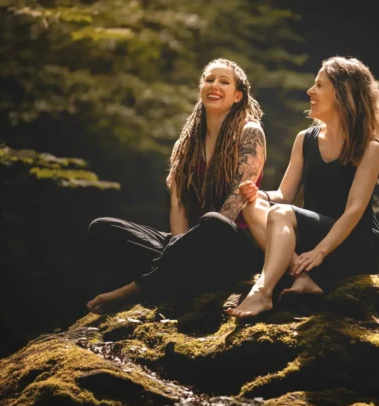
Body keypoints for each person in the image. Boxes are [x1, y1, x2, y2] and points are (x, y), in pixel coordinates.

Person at [85, 58, 266, 314]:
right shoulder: (188, 141)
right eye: (209, 79)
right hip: (191, 245)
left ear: (238, 96)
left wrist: (186, 249)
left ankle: (138, 289)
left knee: (214, 221)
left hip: (233, 243)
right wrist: (178, 247)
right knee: (102, 228)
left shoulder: (250, 131)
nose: (214, 85)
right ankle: (183, 277)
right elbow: (178, 204)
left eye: (224, 82)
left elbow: (234, 204)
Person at [226, 56, 379, 318]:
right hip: (311, 243)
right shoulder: (305, 139)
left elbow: (354, 211)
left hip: (355, 244)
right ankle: (301, 278)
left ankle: (262, 293)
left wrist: (320, 251)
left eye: (319, 86)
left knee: (281, 213)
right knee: (254, 206)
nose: (310, 92)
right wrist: (260, 195)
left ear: (344, 93)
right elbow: (284, 195)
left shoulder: (370, 147)